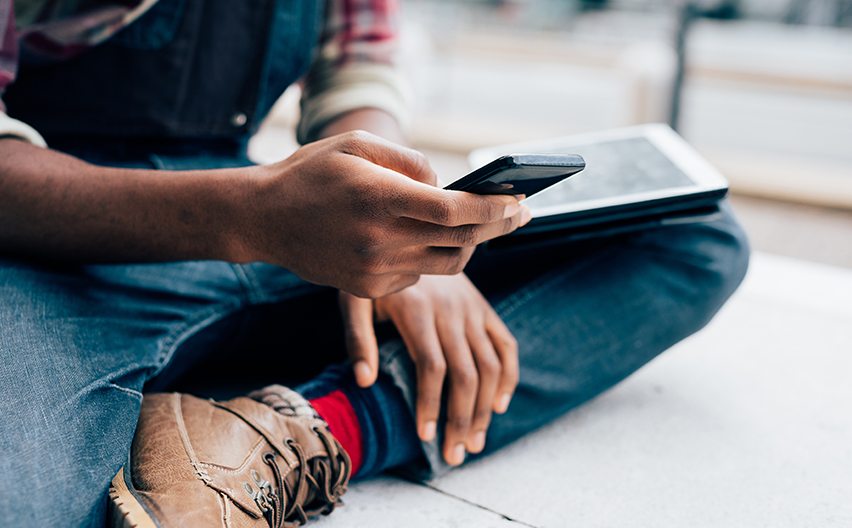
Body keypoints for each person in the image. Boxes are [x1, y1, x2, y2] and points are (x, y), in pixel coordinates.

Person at [0, 0, 750, 526]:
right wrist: (252, 214)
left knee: (691, 234)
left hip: (271, 215)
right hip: (56, 246)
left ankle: (299, 432)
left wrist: (394, 219)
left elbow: (359, 70)